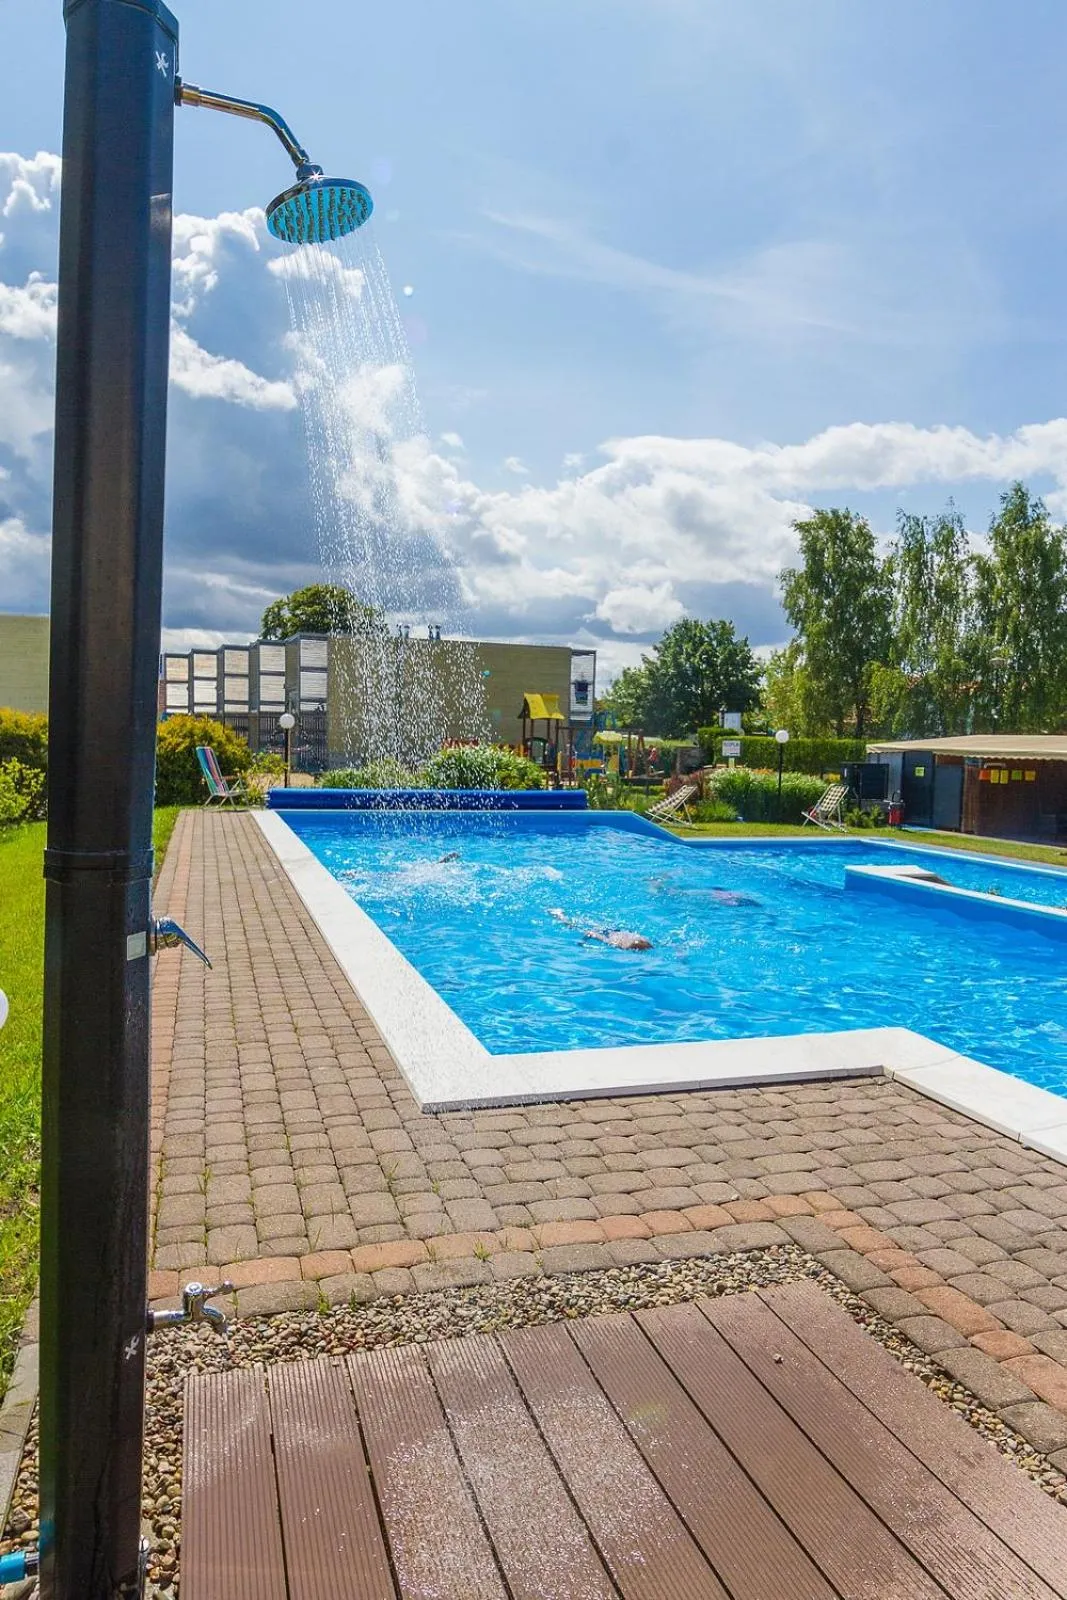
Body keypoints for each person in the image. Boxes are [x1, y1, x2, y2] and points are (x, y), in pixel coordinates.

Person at [549, 908, 653, 950]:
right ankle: (559, 915)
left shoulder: (644, 939)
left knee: (583, 923)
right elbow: (590, 933)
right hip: (608, 933)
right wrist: (582, 942)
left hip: (615, 930)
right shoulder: (616, 944)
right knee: (574, 927)